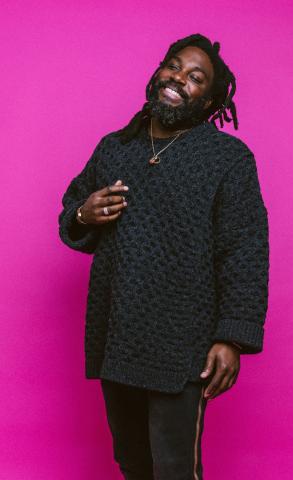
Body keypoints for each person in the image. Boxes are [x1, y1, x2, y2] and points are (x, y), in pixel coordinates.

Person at [58, 33, 269, 480]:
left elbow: (245, 249)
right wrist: (84, 212)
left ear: (210, 100)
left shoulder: (227, 158)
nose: (179, 79)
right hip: (118, 335)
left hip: (183, 343)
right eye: (174, 66)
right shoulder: (116, 147)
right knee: (133, 464)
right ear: (158, 72)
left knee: (174, 469)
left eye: (196, 78)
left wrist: (232, 337)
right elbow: (72, 218)